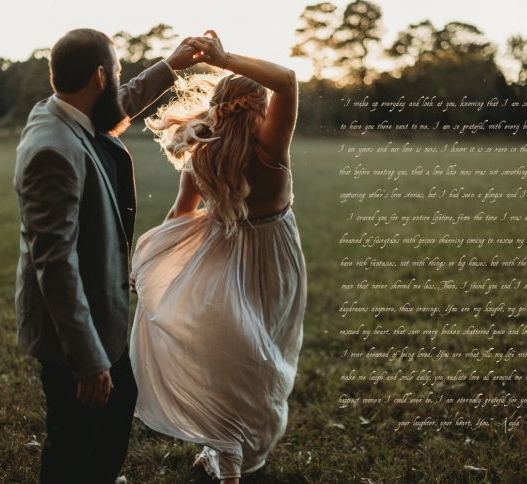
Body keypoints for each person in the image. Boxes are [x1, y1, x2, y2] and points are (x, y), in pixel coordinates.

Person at [13, 28, 207, 483]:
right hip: (73, 336)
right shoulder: (52, 151)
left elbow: (119, 103)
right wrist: (89, 360)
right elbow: (55, 265)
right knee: (72, 441)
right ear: (100, 75)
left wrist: (172, 64)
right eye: (117, 72)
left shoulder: (64, 112)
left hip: (100, 314)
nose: (120, 81)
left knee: (116, 411)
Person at [129, 31, 307, 484]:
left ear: (219, 104)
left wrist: (151, 266)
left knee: (223, 358)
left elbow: (178, 216)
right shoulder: (271, 149)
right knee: (267, 353)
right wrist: (227, 58)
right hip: (276, 260)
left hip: (220, 262)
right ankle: (241, 456)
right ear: (260, 108)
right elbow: (287, 80)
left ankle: (224, 454)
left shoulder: (201, 154)